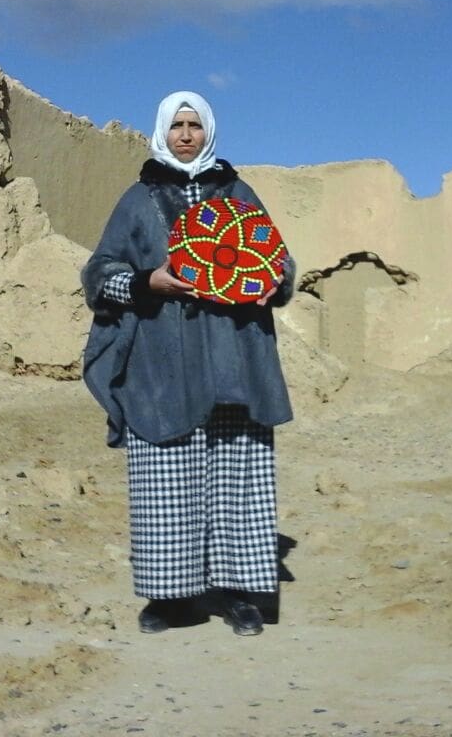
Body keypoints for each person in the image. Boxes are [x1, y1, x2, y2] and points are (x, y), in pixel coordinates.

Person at [81, 90, 295, 636]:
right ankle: (171, 599)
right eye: (175, 125)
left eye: (194, 125)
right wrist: (147, 281)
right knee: (166, 477)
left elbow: (278, 258)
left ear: (209, 132)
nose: (184, 135)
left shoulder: (239, 192)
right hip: (163, 359)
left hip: (234, 355)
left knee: (236, 475)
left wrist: (275, 280)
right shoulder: (138, 199)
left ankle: (240, 594)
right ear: (161, 131)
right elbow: (99, 270)